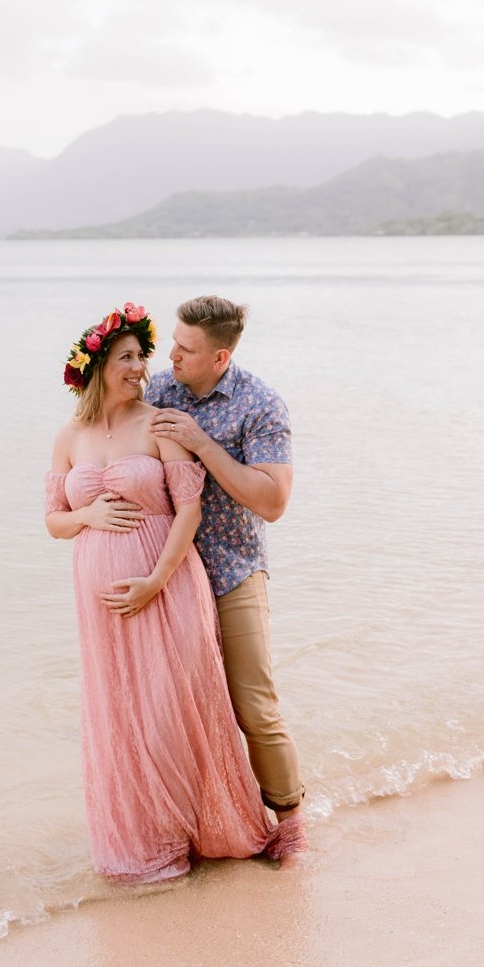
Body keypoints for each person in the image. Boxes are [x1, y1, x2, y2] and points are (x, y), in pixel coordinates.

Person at [44, 303, 276, 883]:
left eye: (143, 357)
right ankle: (147, 838)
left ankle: (212, 827)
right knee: (119, 715)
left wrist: (155, 581)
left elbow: (190, 508)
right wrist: (87, 513)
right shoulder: (68, 437)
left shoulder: (159, 421)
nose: (144, 367)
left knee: (173, 715)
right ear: (95, 366)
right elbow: (52, 520)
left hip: (165, 585)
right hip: (99, 602)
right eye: (128, 358)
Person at [145, 294, 307, 864]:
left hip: (234, 572)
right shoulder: (158, 390)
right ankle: (194, 828)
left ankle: (290, 823)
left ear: (219, 357)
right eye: (173, 343)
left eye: (186, 350)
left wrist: (202, 442)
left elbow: (273, 501)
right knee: (175, 712)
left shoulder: (260, 404)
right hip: (169, 577)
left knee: (254, 709)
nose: (172, 357)